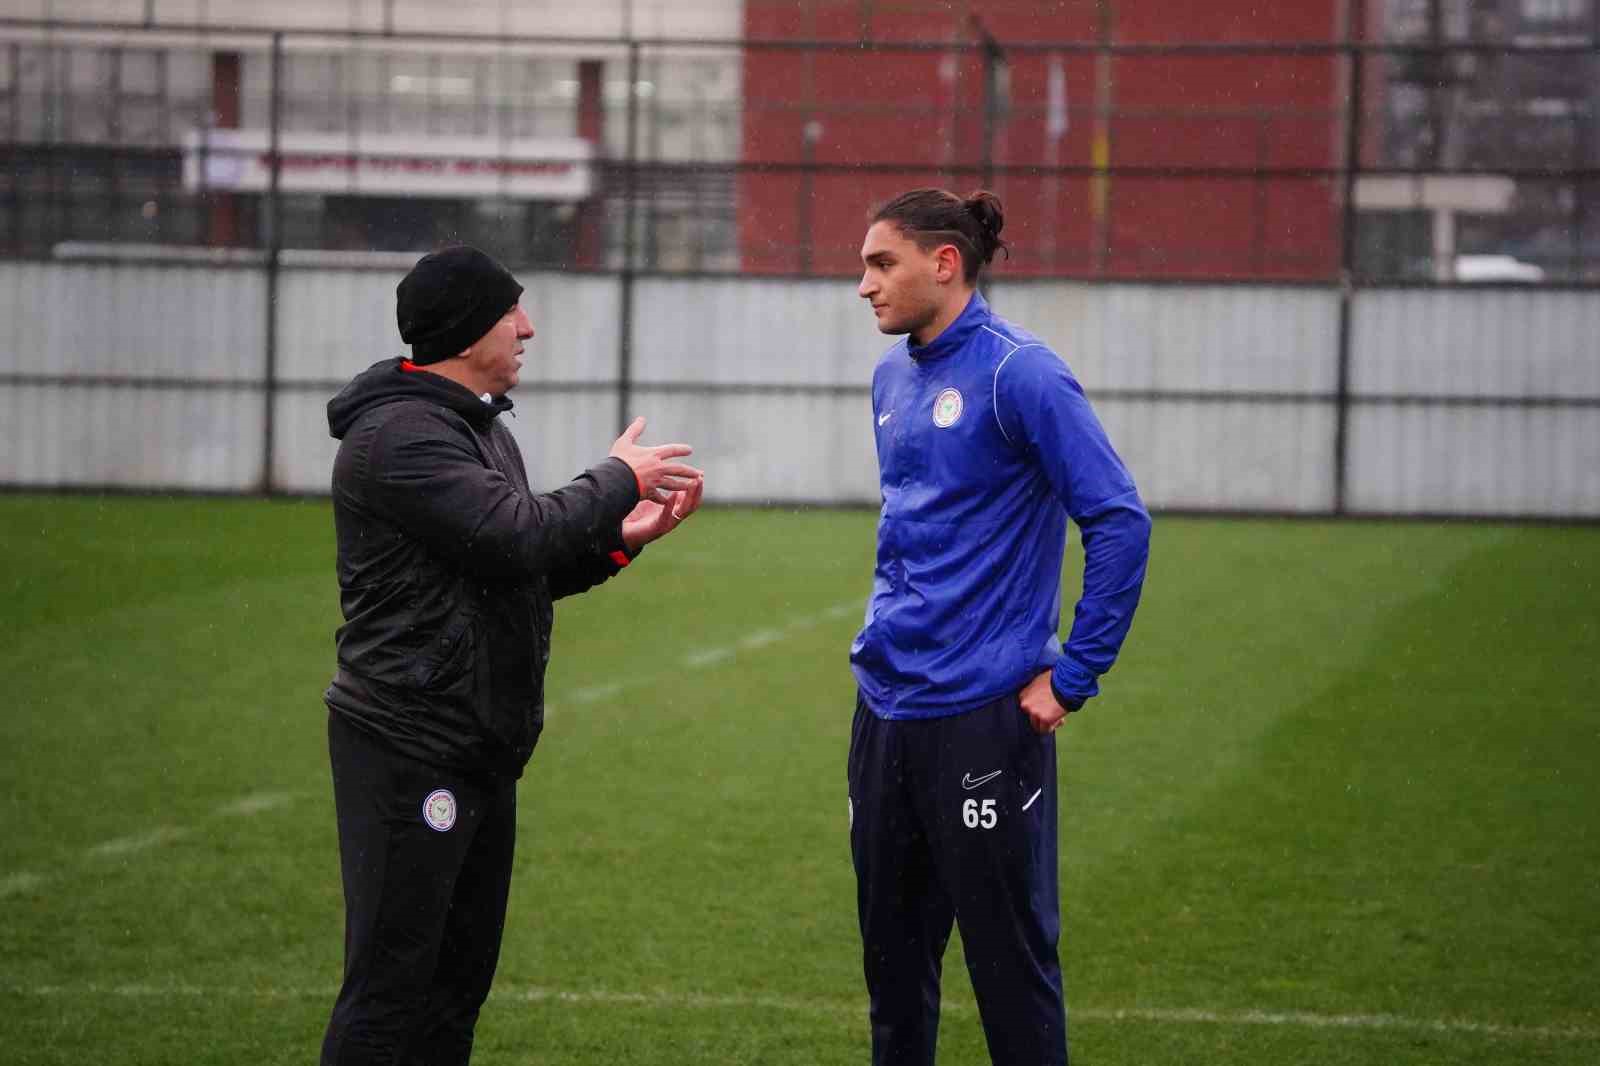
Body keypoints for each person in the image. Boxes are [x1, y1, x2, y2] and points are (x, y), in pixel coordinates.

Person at [319, 245, 704, 1065]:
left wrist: (617, 544)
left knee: (454, 990)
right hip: (409, 745)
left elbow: (511, 568)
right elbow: (518, 530)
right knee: (392, 991)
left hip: (476, 745)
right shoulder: (401, 438)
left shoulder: (475, 429)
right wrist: (618, 478)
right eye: (510, 314)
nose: (527, 328)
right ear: (463, 331)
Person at [848, 189, 1151, 1066]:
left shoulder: (1022, 373)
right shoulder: (892, 373)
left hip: (982, 716)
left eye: (881, 263)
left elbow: (1119, 519)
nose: (864, 285)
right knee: (894, 981)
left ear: (945, 263)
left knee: (1010, 978)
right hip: (885, 713)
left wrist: (1074, 672)